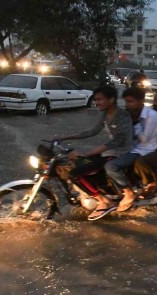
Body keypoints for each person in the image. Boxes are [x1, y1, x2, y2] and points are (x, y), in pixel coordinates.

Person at [48, 85, 132, 221]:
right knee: (74, 163)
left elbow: (117, 141)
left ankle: (104, 201)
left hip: (120, 152)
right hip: (109, 151)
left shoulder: (122, 115)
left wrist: (87, 153)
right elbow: (91, 132)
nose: (96, 102)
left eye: (99, 100)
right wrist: (63, 138)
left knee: (75, 173)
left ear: (111, 100)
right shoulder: (104, 114)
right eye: (95, 100)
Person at [105, 87, 157, 212]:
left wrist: (134, 124)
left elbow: (144, 139)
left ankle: (128, 192)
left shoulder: (152, 117)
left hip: (143, 149)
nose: (127, 105)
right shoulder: (130, 114)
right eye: (126, 102)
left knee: (111, 166)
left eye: (131, 102)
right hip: (130, 147)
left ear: (141, 101)